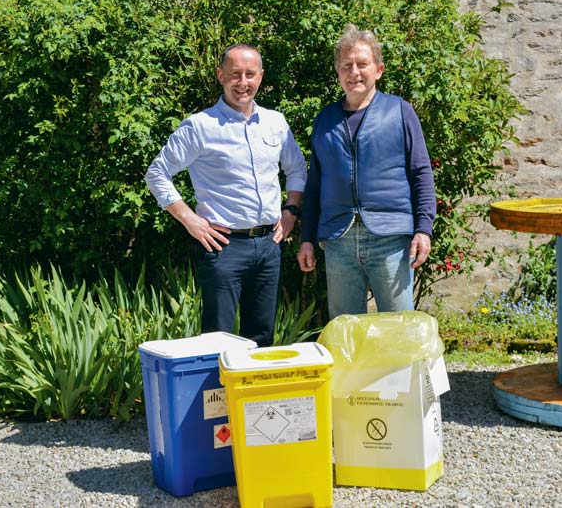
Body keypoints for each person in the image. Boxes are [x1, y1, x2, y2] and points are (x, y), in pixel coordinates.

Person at [145, 44, 306, 344]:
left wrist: (291, 212)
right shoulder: (200, 126)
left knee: (262, 338)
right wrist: (190, 221)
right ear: (221, 75)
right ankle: (217, 393)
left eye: (249, 74)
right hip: (223, 248)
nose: (242, 82)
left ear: (260, 77)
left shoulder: (276, 123)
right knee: (217, 340)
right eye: (235, 74)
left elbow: (297, 169)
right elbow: (157, 174)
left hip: (269, 245)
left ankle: (253, 392)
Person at [297, 24, 436, 318]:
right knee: (347, 331)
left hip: (390, 238)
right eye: (346, 66)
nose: (354, 72)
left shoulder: (400, 111)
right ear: (338, 72)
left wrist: (423, 229)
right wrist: (307, 237)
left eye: (362, 64)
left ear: (379, 69)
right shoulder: (325, 121)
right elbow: (315, 186)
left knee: (399, 328)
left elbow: (421, 172)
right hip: (338, 239)